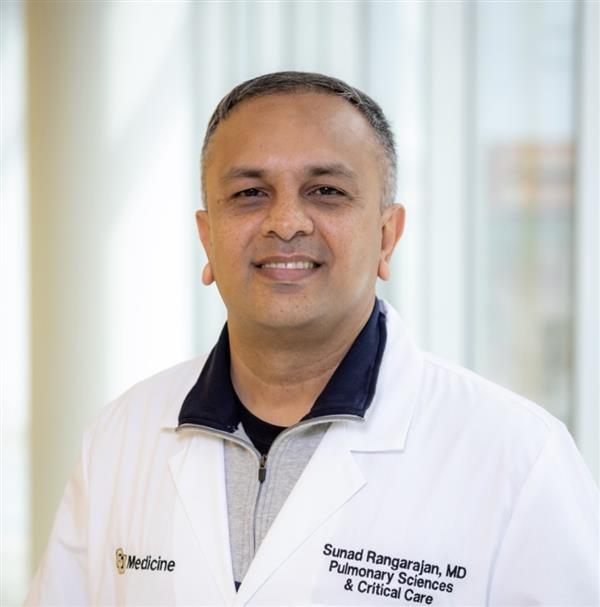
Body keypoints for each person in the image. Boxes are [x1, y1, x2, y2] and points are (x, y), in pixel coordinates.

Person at [26, 71, 598, 606]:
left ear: (386, 235)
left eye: (325, 191)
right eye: (250, 193)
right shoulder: (120, 438)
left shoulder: (518, 458)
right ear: (208, 237)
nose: (287, 221)